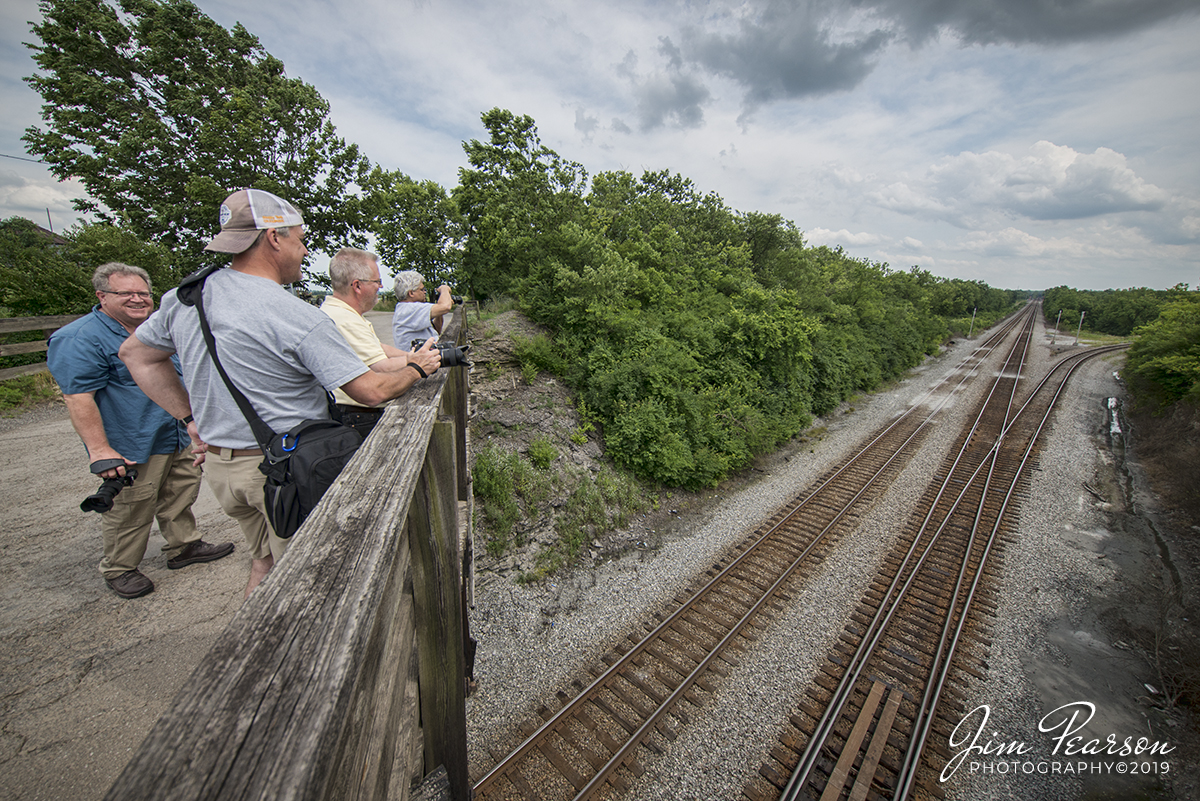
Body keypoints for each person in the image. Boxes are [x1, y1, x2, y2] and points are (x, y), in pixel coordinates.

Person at [120, 188, 442, 598]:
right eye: (300, 238)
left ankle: (250, 646)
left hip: (224, 471)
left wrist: (191, 419)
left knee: (265, 562)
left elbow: (138, 356)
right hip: (287, 472)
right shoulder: (292, 313)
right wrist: (417, 367)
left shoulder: (187, 298)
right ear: (274, 237)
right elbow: (370, 391)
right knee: (308, 581)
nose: (305, 251)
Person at [47, 262, 234, 599]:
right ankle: (120, 567)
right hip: (132, 438)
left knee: (180, 489)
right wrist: (100, 450)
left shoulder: (155, 329)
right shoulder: (80, 337)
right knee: (132, 503)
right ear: (102, 296)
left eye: (143, 293)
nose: (137, 299)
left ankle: (184, 546)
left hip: (175, 429)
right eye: (126, 293)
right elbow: (78, 397)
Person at [321, 248, 422, 438]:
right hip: (359, 417)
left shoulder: (344, 313)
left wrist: (411, 356)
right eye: (377, 281)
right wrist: (420, 362)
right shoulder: (344, 319)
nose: (381, 287)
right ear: (357, 286)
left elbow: (379, 349)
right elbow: (380, 367)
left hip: (355, 414)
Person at [392, 270, 454, 350]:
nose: (425, 292)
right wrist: (444, 289)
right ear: (411, 293)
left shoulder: (407, 310)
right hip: (417, 361)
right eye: (422, 289)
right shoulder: (410, 309)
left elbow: (436, 331)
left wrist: (439, 311)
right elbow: (446, 307)